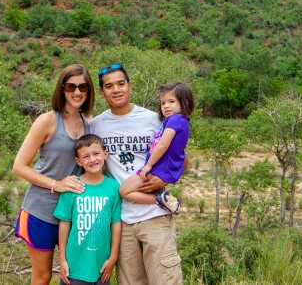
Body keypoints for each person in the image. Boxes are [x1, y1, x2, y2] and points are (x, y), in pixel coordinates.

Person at [89, 64, 183, 284]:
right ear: (102, 92)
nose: (116, 90)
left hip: (155, 215)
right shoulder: (96, 126)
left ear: (130, 86)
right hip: (121, 221)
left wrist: (165, 178)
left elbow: (180, 157)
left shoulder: (154, 119)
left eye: (121, 84)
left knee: (165, 279)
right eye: (109, 86)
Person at [13, 64, 95, 285]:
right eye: (71, 86)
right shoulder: (47, 120)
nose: (77, 92)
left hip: (73, 214)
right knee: (43, 276)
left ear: (89, 92)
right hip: (41, 211)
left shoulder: (89, 126)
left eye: (83, 87)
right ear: (62, 89)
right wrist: (55, 184)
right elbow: (19, 166)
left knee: (74, 274)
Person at [54, 134, 122, 285]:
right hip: (75, 267)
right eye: (86, 156)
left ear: (105, 154)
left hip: (101, 266)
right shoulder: (72, 186)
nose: (92, 159)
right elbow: (64, 224)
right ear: (78, 161)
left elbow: (116, 223)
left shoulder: (114, 187)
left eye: (96, 154)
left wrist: (112, 258)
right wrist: (62, 260)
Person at [118, 82, 194, 214]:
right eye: (163, 103)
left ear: (185, 102)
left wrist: (148, 166)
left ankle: (160, 199)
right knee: (134, 190)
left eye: (171, 101)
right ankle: (162, 199)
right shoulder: (182, 121)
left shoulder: (175, 120)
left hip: (158, 169)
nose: (166, 106)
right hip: (166, 169)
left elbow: (163, 145)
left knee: (124, 191)